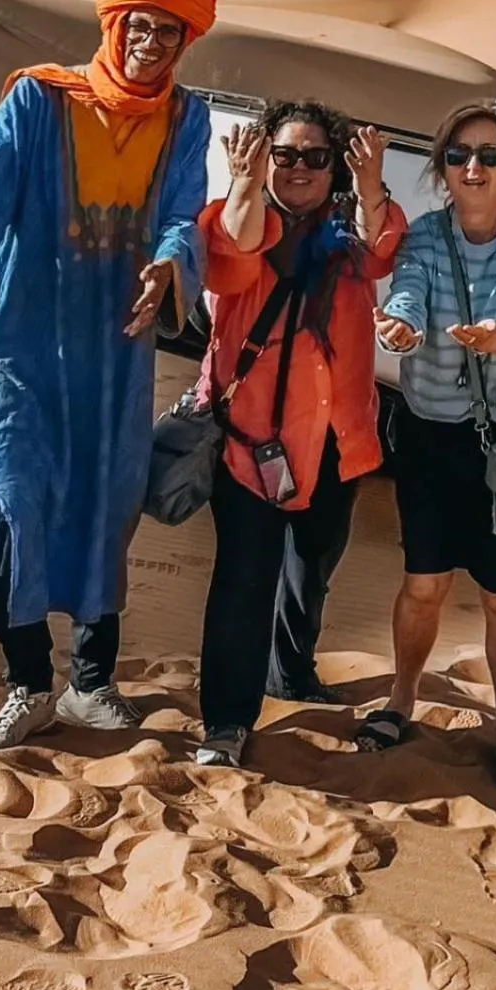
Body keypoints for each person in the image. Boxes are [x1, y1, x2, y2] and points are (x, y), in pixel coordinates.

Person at [0, 0, 214, 751]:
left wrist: (170, 260)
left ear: (185, 42)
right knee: (10, 495)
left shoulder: (186, 119)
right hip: (18, 337)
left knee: (104, 505)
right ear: (115, 25)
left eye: (168, 31)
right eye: (140, 26)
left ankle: (90, 684)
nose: (151, 43)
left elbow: (188, 211)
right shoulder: (41, 101)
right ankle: (26, 686)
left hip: (113, 351)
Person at [194, 100, 406, 768]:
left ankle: (292, 670)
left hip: (338, 441)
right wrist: (245, 187)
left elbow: (383, 251)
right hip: (250, 441)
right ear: (266, 158)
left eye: (316, 157)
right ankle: (227, 722)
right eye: (285, 154)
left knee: (311, 569)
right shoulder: (240, 219)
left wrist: (370, 187)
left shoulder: (348, 239)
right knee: (242, 580)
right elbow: (227, 256)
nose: (300, 168)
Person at [358, 103, 496, 786]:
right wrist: (402, 330)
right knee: (424, 583)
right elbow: (408, 293)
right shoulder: (425, 235)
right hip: (431, 435)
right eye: (458, 155)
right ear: (442, 167)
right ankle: (400, 699)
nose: (473, 168)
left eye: (489, 155)